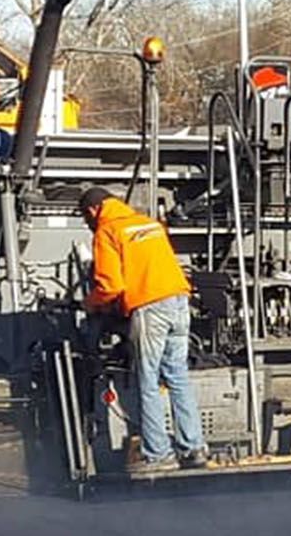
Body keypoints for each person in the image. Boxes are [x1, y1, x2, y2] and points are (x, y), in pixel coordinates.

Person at [80, 185, 208, 471]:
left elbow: (111, 286)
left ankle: (158, 454)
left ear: (92, 211)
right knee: (177, 376)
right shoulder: (150, 224)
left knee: (147, 381)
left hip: (151, 309)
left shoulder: (107, 231)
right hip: (179, 303)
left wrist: (89, 304)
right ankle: (194, 448)